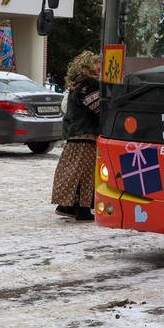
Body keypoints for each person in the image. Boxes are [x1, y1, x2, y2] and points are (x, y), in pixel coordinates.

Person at [51, 51, 101, 221]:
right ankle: (83, 209)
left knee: (73, 171)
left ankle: (68, 205)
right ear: (89, 65)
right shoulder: (89, 85)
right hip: (85, 134)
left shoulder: (77, 84)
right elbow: (98, 108)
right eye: (96, 63)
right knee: (86, 173)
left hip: (75, 134)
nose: (100, 67)